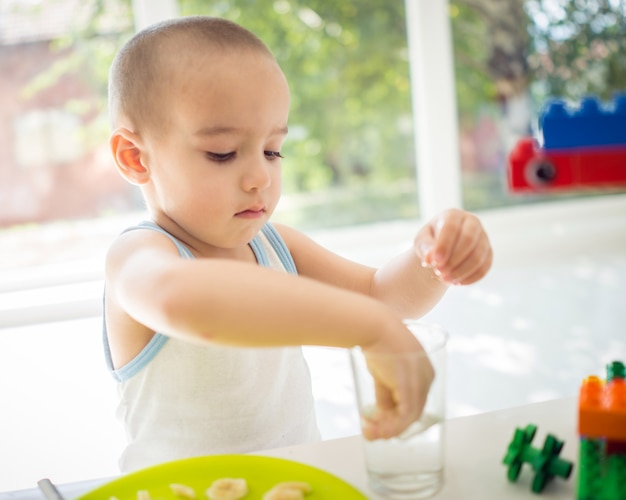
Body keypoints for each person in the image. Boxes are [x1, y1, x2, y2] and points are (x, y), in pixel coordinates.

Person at [104, 15, 493, 473]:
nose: (259, 178)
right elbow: (185, 301)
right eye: (223, 153)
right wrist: (367, 329)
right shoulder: (138, 257)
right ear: (135, 158)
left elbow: (381, 297)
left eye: (272, 150)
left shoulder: (274, 246)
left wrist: (432, 258)